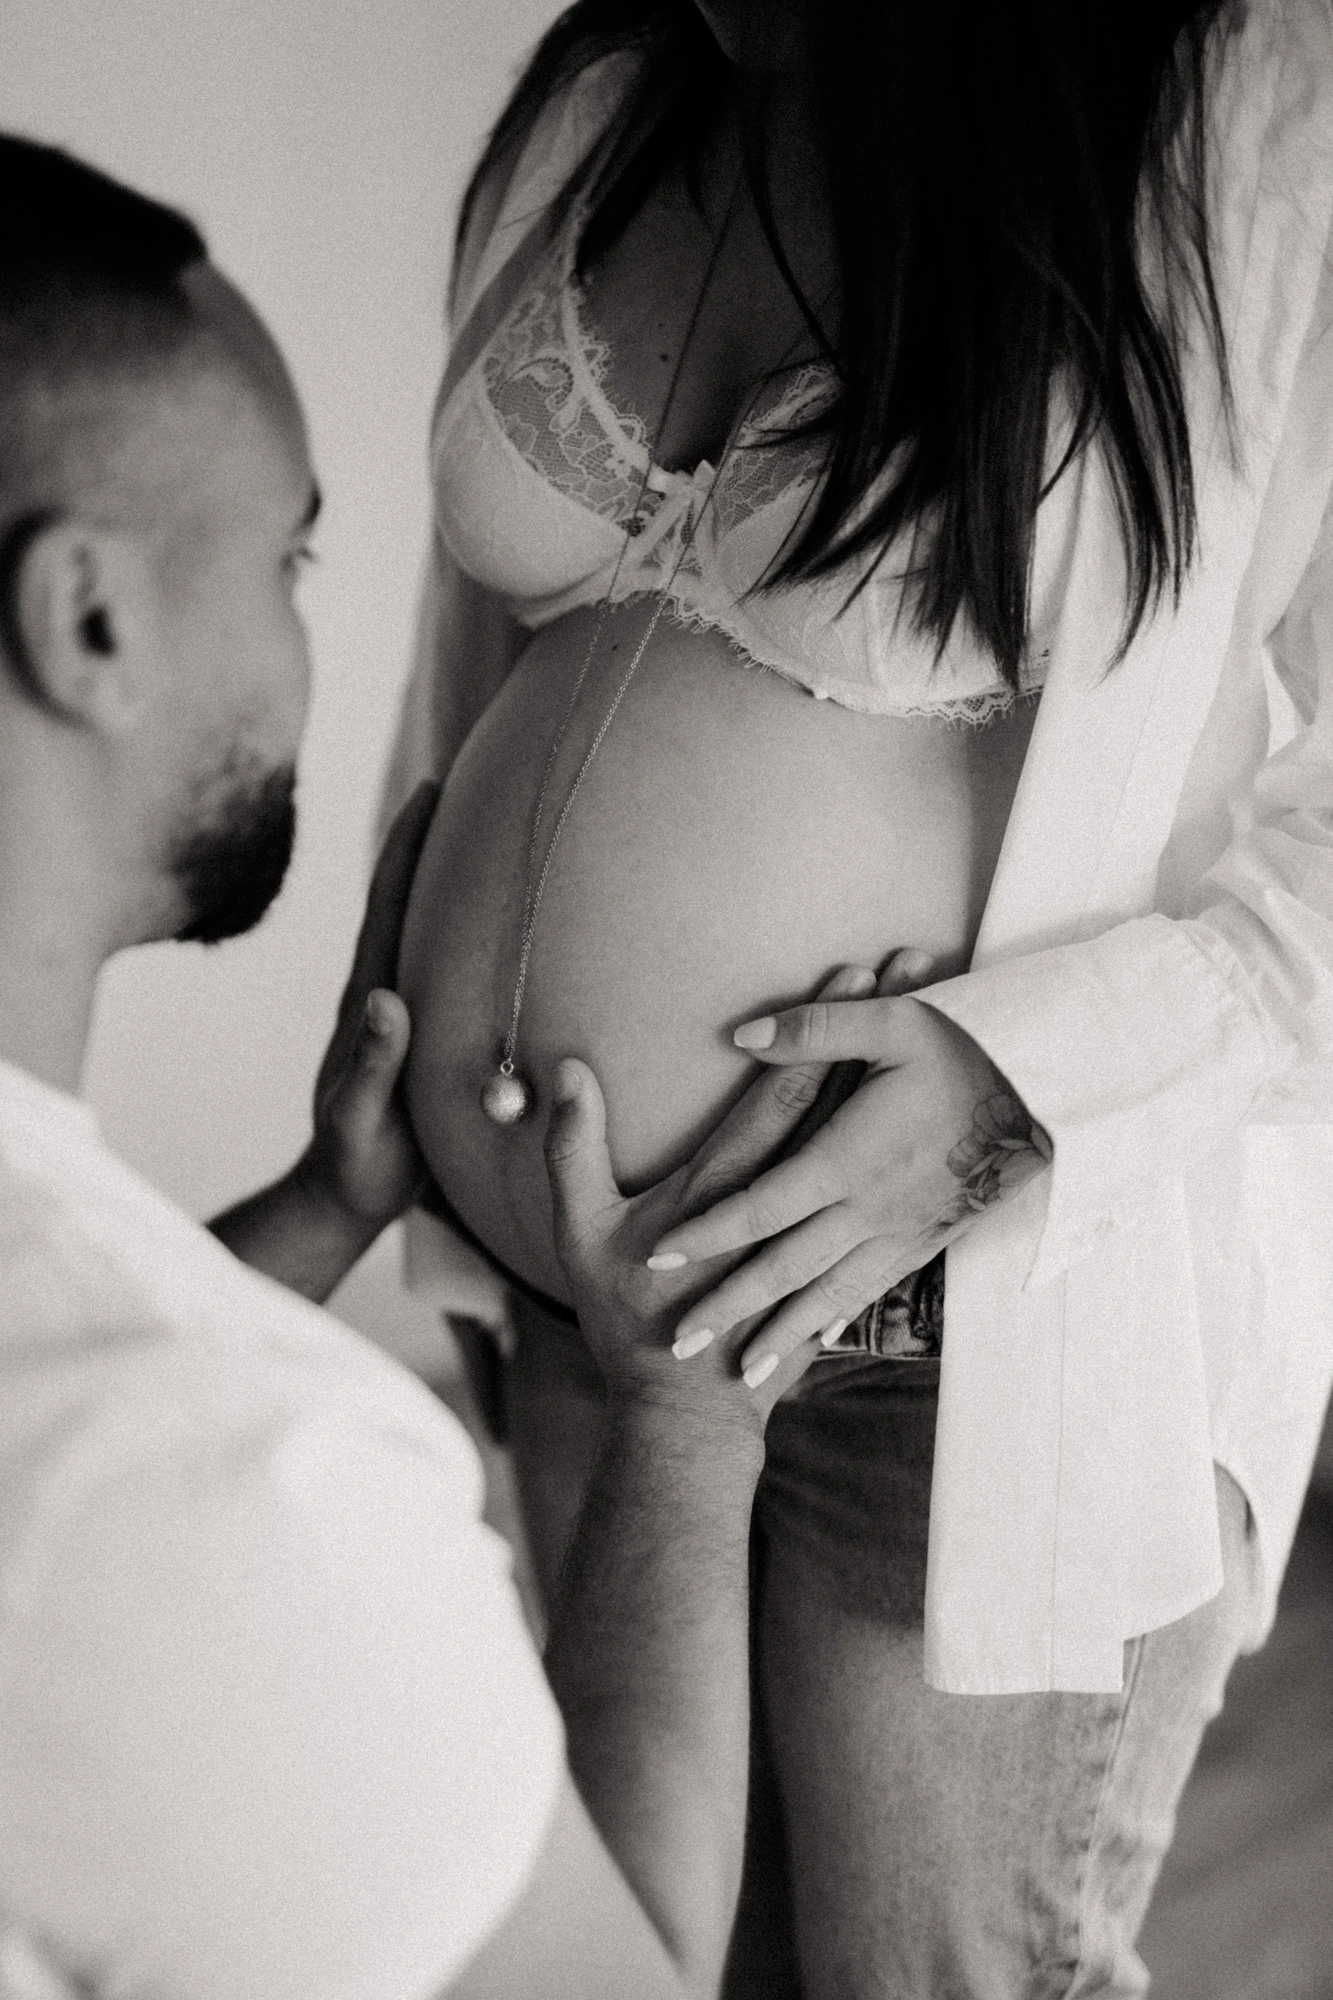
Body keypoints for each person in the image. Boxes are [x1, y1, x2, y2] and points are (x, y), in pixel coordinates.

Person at [385, 1, 1333, 1993]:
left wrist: (1018, 1090)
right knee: (638, 1968)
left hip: (955, 1339)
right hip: (581, 1303)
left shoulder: (1263, 107)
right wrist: (408, 1043)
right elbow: (476, 658)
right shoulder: (619, 90)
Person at [0, 132, 894, 2000]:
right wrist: (685, 1426)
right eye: (290, 554)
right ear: (87, 622)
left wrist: (320, 1214)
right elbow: (627, 1974)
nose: (305, 624)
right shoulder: (233, 1497)